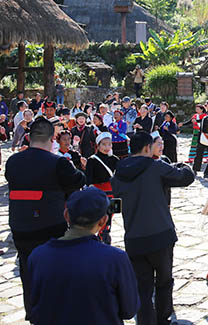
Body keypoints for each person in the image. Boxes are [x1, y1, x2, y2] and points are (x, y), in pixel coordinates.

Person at [5, 116, 86, 321]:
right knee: (54, 276)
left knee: (28, 272)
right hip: (50, 228)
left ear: (29, 138)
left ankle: (33, 314)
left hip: (20, 228)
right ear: (52, 140)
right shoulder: (58, 163)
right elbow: (78, 181)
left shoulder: (13, 162)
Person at [112, 132, 195, 325]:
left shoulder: (118, 173)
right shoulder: (155, 166)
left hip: (134, 238)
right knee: (164, 282)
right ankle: (162, 320)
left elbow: (116, 202)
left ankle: (145, 322)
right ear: (148, 148)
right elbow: (185, 177)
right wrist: (183, 164)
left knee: (142, 286)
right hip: (161, 236)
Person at [26, 187, 139, 325]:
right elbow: (129, 310)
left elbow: (35, 306)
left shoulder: (38, 256)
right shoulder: (115, 259)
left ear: (66, 215)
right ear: (103, 221)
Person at [85, 132, 119, 244]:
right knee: (101, 217)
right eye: (104, 144)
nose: (107, 147)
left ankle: (105, 234)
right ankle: (102, 237)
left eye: (109, 144)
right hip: (99, 193)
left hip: (113, 193)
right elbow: (88, 179)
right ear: (98, 145)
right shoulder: (92, 160)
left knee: (110, 218)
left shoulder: (114, 159)